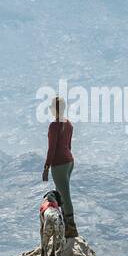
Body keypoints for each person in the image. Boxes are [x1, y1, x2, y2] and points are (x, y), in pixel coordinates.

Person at [42, 96, 77, 238]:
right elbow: (68, 146)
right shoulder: (68, 124)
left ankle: (71, 228)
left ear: (55, 109)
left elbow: (52, 149)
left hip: (59, 164)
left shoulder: (54, 125)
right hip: (69, 162)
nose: (50, 109)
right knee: (62, 193)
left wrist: (46, 168)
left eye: (51, 106)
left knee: (64, 196)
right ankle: (64, 227)